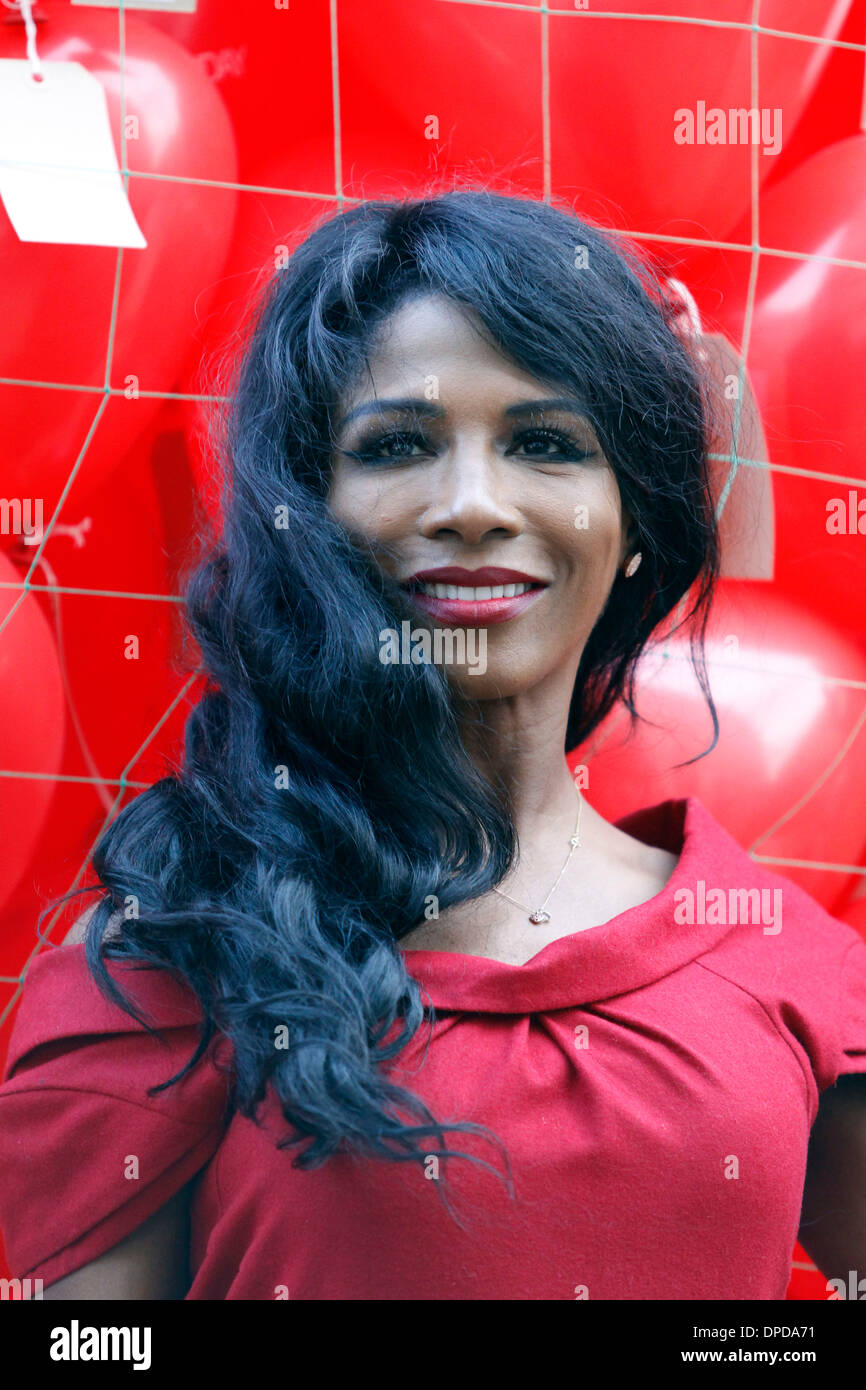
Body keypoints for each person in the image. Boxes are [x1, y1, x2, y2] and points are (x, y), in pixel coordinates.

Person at [1, 190, 864, 1300]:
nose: (469, 503)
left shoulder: (785, 965)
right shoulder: (169, 943)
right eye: (397, 445)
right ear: (304, 510)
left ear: (637, 519)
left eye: (544, 442)